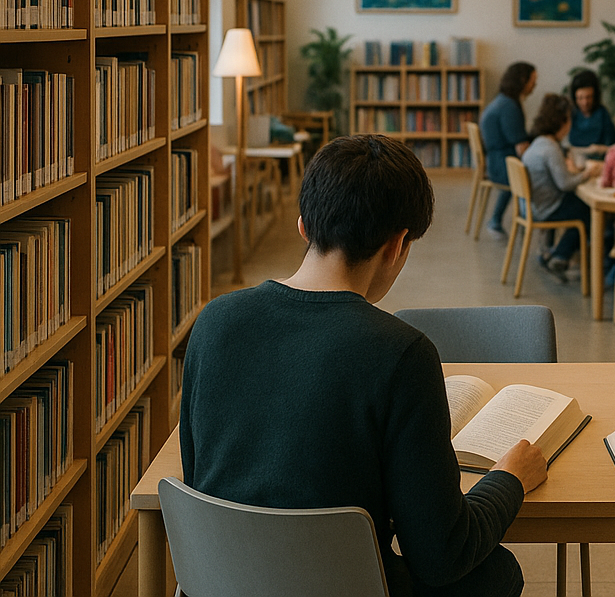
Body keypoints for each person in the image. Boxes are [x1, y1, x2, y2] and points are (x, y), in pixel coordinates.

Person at [179, 135, 547, 597]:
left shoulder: (214, 323)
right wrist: (509, 480)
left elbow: (198, 480)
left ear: (303, 227)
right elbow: (440, 557)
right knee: (497, 571)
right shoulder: (400, 353)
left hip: (223, 583)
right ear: (397, 247)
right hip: (347, 586)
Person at [521, 93, 600, 278]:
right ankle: (562, 255)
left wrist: (576, 171)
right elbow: (565, 184)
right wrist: (588, 173)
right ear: (562, 122)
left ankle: (559, 253)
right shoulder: (551, 149)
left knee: (579, 205)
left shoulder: (539, 142)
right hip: (545, 209)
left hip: (532, 206)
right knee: (587, 210)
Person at [479, 62, 536, 238]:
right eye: (532, 81)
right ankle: (532, 220)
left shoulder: (502, 101)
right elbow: (521, 147)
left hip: (494, 162)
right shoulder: (510, 107)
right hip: (501, 165)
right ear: (522, 81)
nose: (535, 85)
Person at [566, 69, 615, 155]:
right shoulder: (571, 114)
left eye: (589, 97)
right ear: (574, 97)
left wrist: (600, 149)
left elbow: (613, 147)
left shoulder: (602, 114)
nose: (585, 103)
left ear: (595, 96)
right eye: (580, 98)